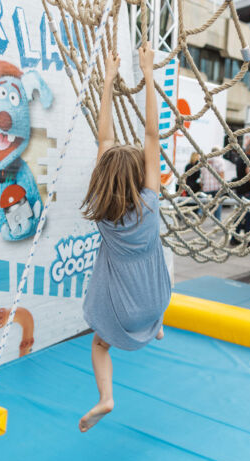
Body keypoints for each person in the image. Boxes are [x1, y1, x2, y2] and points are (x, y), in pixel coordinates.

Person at [78, 42, 171, 433]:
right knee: (155, 282)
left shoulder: (104, 214)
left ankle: (105, 398)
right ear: (140, 178)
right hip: (157, 301)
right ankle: (157, 325)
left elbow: (104, 140)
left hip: (125, 310)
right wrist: (148, 74)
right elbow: (151, 135)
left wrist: (108, 85)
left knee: (100, 345)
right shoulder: (149, 205)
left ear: (104, 182)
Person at [230, 140, 250, 246]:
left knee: (239, 215)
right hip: (248, 192)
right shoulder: (249, 158)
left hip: (241, 191)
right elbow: (249, 172)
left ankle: (235, 238)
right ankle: (249, 239)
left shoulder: (240, 159)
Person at [199, 147, 226, 219]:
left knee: (204, 201)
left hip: (207, 186)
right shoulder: (220, 161)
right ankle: (217, 219)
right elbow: (221, 174)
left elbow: (201, 175)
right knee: (217, 203)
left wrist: (202, 185)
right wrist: (223, 185)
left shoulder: (206, 161)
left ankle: (200, 212)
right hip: (217, 186)